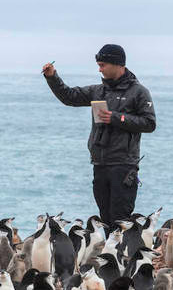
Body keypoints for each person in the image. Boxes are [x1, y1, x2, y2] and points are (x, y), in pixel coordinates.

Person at [42, 44, 156, 230]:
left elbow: (149, 123)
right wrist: (52, 77)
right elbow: (69, 97)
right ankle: (111, 256)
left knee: (120, 218)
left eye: (102, 65)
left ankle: (122, 257)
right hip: (100, 163)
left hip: (124, 164)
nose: (99, 69)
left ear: (118, 64)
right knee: (105, 217)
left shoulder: (139, 92)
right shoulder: (98, 91)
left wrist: (116, 117)